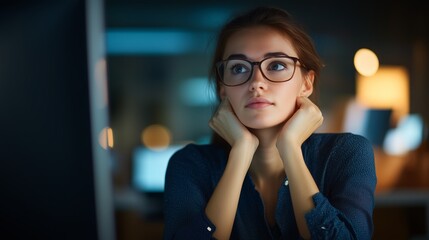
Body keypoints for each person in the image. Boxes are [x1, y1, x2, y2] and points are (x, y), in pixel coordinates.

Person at [163, 6, 377, 240]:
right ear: (223, 89)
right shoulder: (190, 165)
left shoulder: (346, 153)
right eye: (238, 68)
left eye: (276, 65)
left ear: (306, 83)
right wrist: (241, 152)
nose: (256, 82)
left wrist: (290, 148)